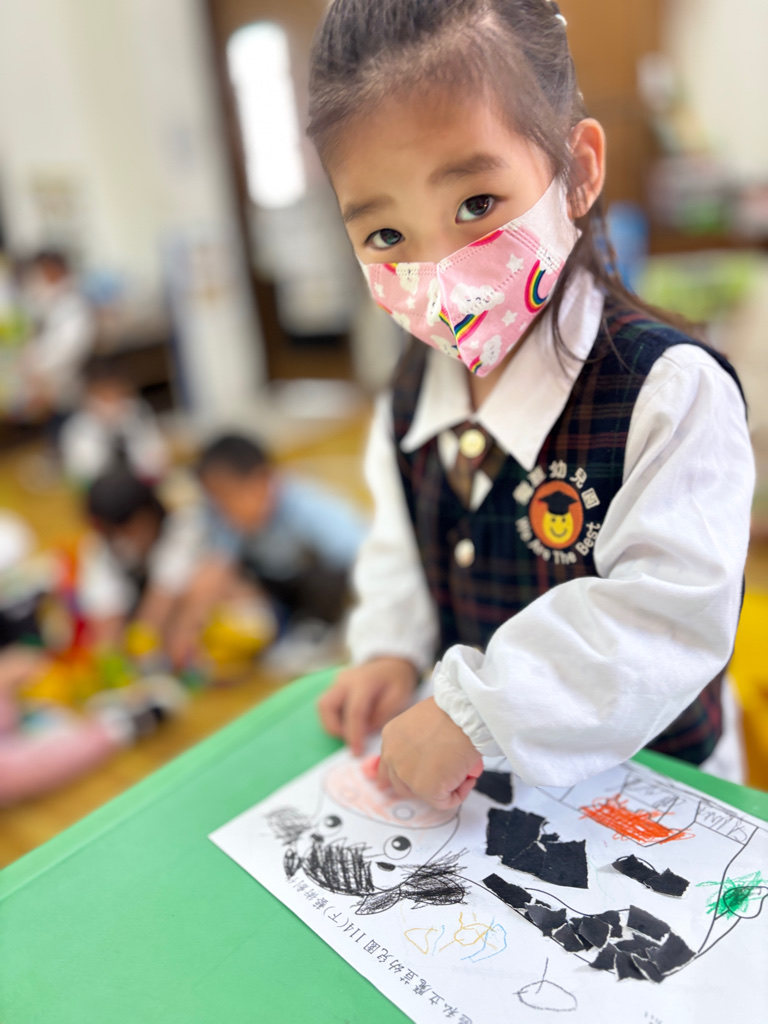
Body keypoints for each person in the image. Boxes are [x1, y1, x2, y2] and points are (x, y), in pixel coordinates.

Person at [313, 0, 754, 808]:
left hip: (662, 804)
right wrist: (390, 650)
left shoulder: (668, 391)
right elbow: (402, 554)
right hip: (489, 807)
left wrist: (482, 711)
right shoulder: (409, 398)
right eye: (386, 237)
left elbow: (663, 618)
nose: (439, 270)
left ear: (577, 171)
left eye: (476, 204)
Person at [168, 434, 368, 668]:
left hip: (323, 593)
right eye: (217, 502)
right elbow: (213, 572)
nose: (223, 511)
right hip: (281, 595)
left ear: (262, 481)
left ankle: (320, 634)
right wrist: (184, 634)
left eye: (229, 497)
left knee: (330, 575)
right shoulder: (227, 522)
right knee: (229, 580)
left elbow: (362, 552)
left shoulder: (307, 506)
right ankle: (285, 636)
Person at [79, 468, 205, 650]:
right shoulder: (104, 547)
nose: (124, 541)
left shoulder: (185, 529)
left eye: (130, 530)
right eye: (115, 534)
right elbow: (105, 615)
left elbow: (163, 598)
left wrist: (137, 648)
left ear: (149, 515)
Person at [60, 354, 169, 487]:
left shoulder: (137, 413)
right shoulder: (78, 428)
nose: (111, 404)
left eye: (116, 395)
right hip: (101, 492)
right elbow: (79, 478)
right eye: (104, 397)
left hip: (141, 488)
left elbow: (156, 460)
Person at [16, 249, 95, 424]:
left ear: (56, 271)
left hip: (64, 394)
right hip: (45, 393)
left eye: (40, 274)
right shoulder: (45, 305)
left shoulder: (73, 306)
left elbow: (67, 350)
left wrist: (37, 370)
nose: (36, 280)